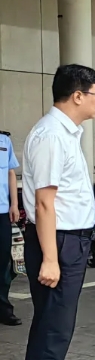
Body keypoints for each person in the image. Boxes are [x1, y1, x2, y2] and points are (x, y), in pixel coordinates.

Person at [21, 64, 95, 360]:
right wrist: (51, 258)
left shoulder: (67, 133)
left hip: (71, 240)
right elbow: (43, 203)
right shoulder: (51, 135)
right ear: (77, 95)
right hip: (57, 242)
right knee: (51, 330)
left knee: (58, 327)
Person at [0, 129, 20, 326]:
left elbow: (10, 173)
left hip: (2, 212)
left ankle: (3, 309)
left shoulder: (4, 141)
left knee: (3, 261)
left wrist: (14, 204)